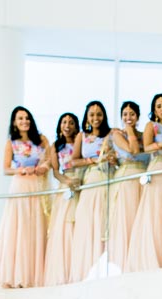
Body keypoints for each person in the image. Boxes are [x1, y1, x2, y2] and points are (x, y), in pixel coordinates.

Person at [0, 106, 51, 289]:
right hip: (21, 185)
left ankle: (35, 273)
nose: (24, 121)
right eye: (20, 118)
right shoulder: (11, 143)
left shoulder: (42, 140)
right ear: (14, 122)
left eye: (26, 117)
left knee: (37, 225)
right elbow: (6, 168)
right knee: (20, 227)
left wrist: (43, 167)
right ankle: (17, 274)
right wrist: (22, 169)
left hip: (38, 184)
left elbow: (49, 159)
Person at [124, 93, 162, 273]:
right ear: (154, 110)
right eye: (159, 106)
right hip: (159, 168)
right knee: (157, 211)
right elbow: (145, 147)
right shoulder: (151, 126)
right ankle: (155, 255)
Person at [68, 100, 113, 281]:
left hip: (107, 178)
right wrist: (93, 161)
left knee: (103, 217)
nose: (96, 118)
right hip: (90, 179)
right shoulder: (82, 136)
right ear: (87, 117)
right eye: (92, 115)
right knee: (87, 219)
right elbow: (74, 160)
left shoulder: (111, 134)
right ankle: (85, 265)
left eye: (99, 114)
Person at [103, 100, 146, 274]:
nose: (128, 117)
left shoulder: (143, 134)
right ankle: (125, 261)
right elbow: (133, 150)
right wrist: (129, 130)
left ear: (138, 116)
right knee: (126, 216)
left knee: (140, 216)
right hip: (127, 176)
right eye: (125, 115)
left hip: (142, 177)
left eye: (132, 114)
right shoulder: (117, 135)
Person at [43, 111, 83, 285]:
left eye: (71, 122)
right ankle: (62, 269)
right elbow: (56, 171)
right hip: (66, 185)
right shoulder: (56, 146)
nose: (67, 126)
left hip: (81, 182)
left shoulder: (80, 142)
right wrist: (67, 182)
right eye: (64, 122)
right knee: (63, 225)